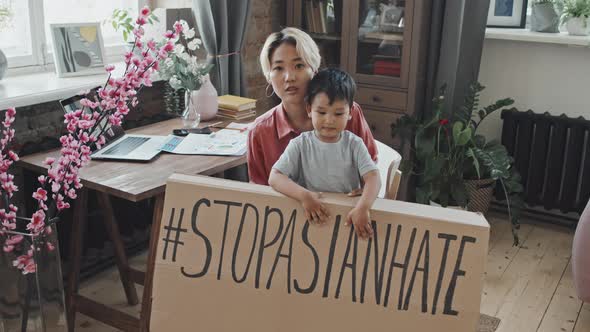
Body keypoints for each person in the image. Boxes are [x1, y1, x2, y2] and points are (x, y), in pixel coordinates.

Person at [247, 27, 377, 186]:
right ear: (269, 76)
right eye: (278, 68)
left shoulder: (349, 112)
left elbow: (372, 166)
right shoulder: (259, 132)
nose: (289, 77)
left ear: (314, 69)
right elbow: (258, 193)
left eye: (299, 66)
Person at [268, 68, 381, 239]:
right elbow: (275, 177)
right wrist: (304, 196)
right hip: (311, 221)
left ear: (350, 112)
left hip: (347, 221)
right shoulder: (300, 144)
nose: (329, 120)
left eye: (338, 113)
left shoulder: (354, 144)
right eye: (321, 112)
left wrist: (363, 207)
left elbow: (373, 177)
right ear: (309, 109)